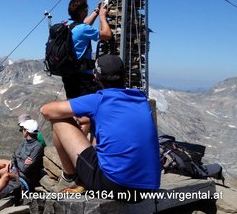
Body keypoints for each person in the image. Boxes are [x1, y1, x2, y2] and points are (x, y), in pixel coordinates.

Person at [40, 55, 160, 197]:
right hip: (149, 188)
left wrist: (74, 115)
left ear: (95, 77)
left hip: (116, 186)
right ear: (124, 75)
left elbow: (46, 111)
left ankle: (69, 178)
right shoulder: (140, 98)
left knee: (58, 121)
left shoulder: (99, 100)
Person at [62, 0, 112, 100]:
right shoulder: (83, 29)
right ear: (82, 12)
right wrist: (102, 17)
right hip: (82, 78)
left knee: (75, 105)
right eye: (86, 10)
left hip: (68, 75)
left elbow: (83, 25)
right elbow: (107, 35)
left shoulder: (66, 25)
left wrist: (96, 11)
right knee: (88, 107)